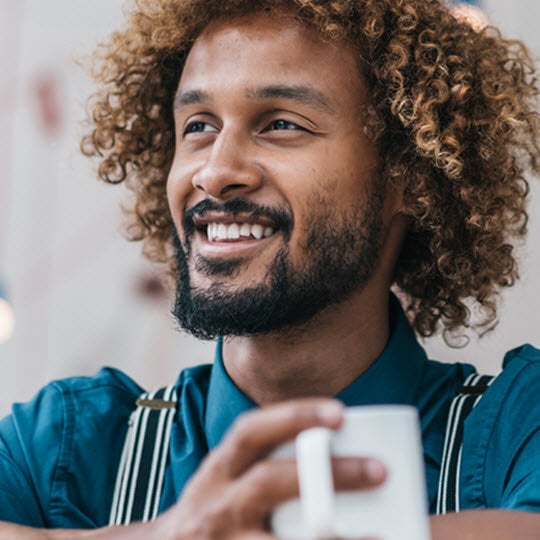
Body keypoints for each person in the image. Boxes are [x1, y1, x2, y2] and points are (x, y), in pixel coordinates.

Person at [1, 0, 539, 538]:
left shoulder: (515, 428)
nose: (215, 173)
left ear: (412, 176)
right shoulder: (64, 447)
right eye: (199, 126)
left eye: (280, 124)